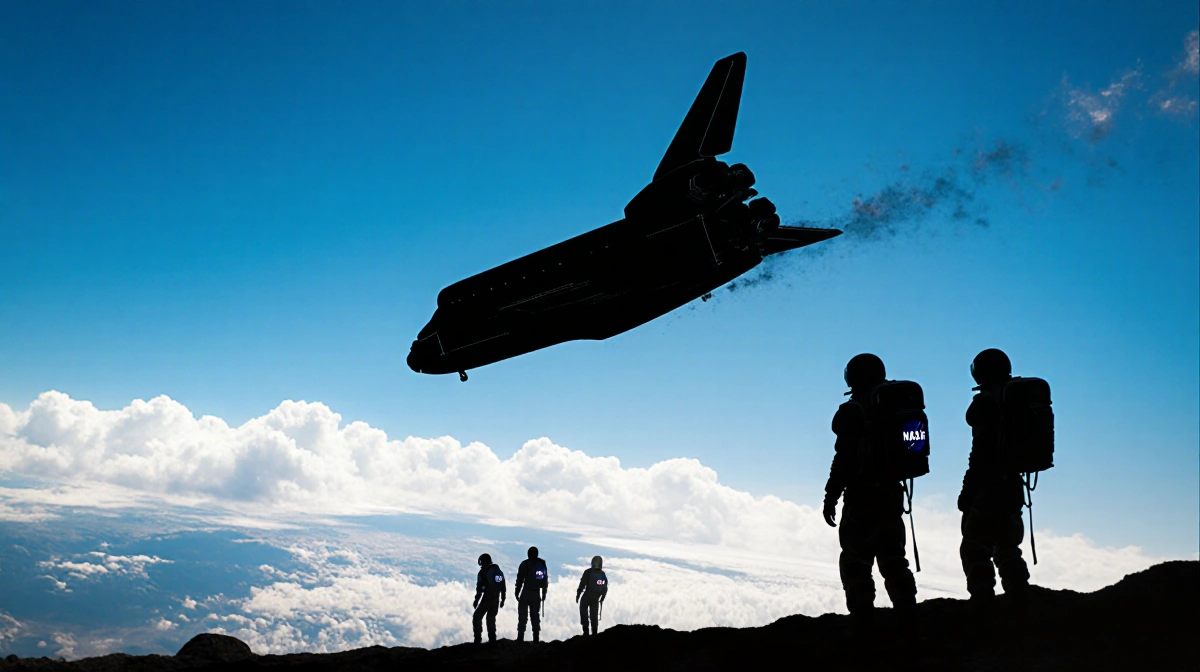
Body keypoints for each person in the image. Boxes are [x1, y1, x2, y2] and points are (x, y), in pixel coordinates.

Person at [823, 353, 918, 634]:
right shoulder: (898, 406)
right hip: (891, 497)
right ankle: (908, 618)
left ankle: (863, 622)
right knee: (894, 560)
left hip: (861, 499)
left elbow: (843, 460)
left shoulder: (853, 411)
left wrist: (831, 496)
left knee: (855, 561)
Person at [959, 348, 1031, 608]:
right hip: (1013, 487)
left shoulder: (987, 403)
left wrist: (967, 492)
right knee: (1007, 546)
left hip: (988, 488)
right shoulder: (1015, 399)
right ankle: (1019, 598)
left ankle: (983, 604)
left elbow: (980, 453)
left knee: (974, 549)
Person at [515, 546, 549, 642]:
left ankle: (520, 638)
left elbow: (520, 579)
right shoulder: (542, 564)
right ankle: (536, 639)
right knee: (535, 616)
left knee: (523, 616)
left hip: (526, 592)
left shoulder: (525, 564)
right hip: (536, 593)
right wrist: (544, 593)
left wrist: (517, 592)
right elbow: (545, 580)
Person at [472, 553, 505, 643]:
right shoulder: (497, 570)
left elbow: (480, 588)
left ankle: (477, 639)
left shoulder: (483, 573)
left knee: (477, 617)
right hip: (496, 598)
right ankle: (492, 639)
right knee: (490, 618)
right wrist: (503, 598)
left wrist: (476, 600)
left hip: (487, 598)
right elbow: (502, 585)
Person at [575, 555, 608, 636]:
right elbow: (605, 587)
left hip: (588, 595)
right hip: (596, 598)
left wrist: (578, 594)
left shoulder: (588, 572)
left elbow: (582, 584)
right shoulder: (602, 574)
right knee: (594, 615)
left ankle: (586, 632)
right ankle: (594, 633)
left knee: (583, 609)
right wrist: (602, 598)